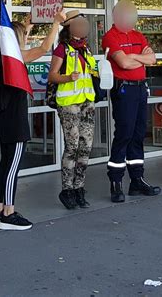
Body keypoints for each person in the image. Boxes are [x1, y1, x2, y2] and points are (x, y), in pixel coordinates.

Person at [0, 10, 66, 230]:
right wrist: (56, 24)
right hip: (15, 118)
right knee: (12, 167)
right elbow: (42, 49)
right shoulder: (14, 58)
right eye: (23, 37)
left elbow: (17, 37)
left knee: (5, 165)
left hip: (5, 118)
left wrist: (26, 25)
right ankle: (8, 213)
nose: (26, 40)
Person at [102, 0, 161, 203]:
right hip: (124, 89)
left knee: (138, 133)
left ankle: (137, 180)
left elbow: (153, 59)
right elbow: (124, 63)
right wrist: (138, 57)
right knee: (124, 133)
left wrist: (133, 55)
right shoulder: (110, 37)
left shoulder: (138, 35)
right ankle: (116, 182)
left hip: (140, 88)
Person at [48, 11, 97, 209]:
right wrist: (69, 78)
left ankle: (79, 188)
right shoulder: (62, 49)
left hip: (87, 103)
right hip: (69, 104)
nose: (84, 28)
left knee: (86, 147)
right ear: (70, 28)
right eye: (80, 24)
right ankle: (67, 189)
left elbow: (91, 74)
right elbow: (52, 76)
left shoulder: (87, 49)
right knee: (72, 146)